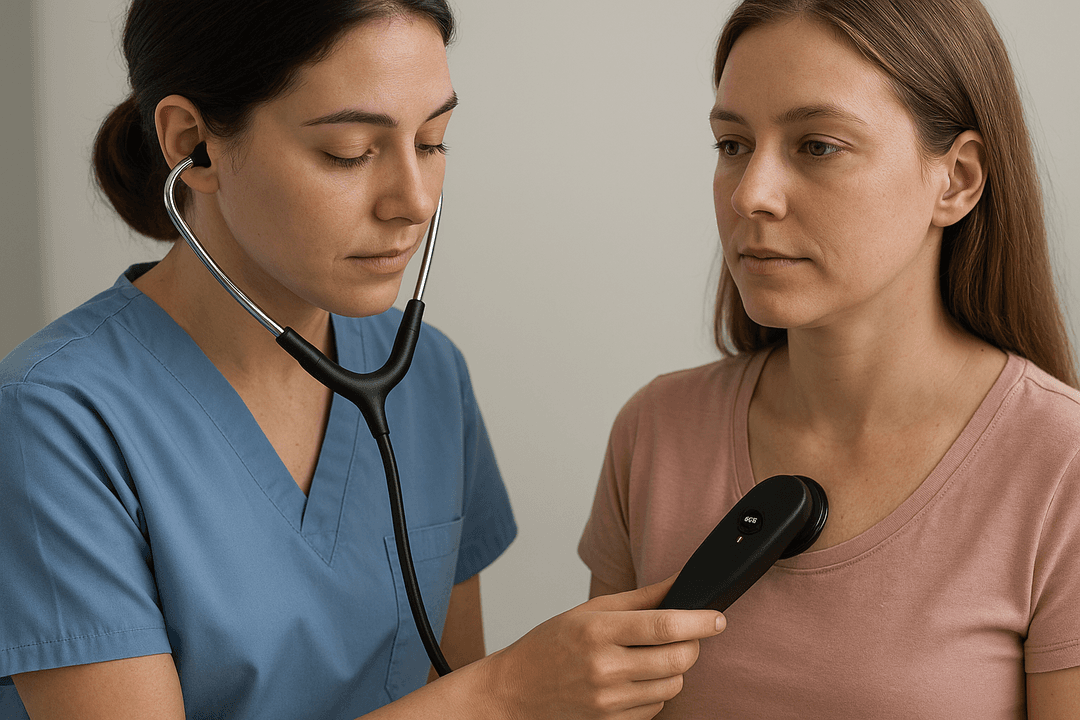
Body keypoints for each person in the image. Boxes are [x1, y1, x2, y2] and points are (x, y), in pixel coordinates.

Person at [0, 1, 727, 718]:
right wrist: (508, 691)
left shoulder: (428, 374)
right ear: (194, 143)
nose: (413, 201)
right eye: (349, 152)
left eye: (433, 141)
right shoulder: (51, 421)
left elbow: (449, 689)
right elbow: (478, 702)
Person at [578, 0, 1080, 717]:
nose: (751, 194)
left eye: (817, 145)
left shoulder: (1062, 467)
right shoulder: (656, 430)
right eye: (732, 144)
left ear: (957, 179)